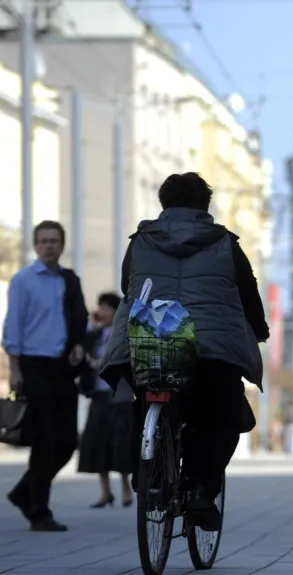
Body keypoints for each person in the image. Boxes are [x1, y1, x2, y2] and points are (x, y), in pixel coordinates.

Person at [99, 172, 269, 531]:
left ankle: (146, 475)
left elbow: (127, 285)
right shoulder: (225, 243)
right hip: (209, 350)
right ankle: (201, 492)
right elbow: (248, 293)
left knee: (144, 399)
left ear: (163, 203)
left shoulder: (141, 241)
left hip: (147, 341)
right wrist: (259, 329)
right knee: (223, 418)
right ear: (205, 205)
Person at [3, 221, 88, 532]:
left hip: (62, 368)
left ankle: (23, 492)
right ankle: (39, 510)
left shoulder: (69, 280)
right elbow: (12, 327)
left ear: (62, 245)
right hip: (33, 365)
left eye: (54, 240)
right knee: (45, 440)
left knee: (67, 442)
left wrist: (79, 345)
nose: (49, 246)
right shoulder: (23, 281)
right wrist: (14, 368)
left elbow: (79, 318)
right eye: (43, 241)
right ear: (36, 246)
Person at [77, 293, 135, 509]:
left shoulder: (124, 334)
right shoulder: (95, 335)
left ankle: (126, 488)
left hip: (120, 397)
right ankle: (105, 491)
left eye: (107, 308)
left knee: (120, 445)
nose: (102, 312)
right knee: (97, 444)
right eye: (100, 307)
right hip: (99, 397)